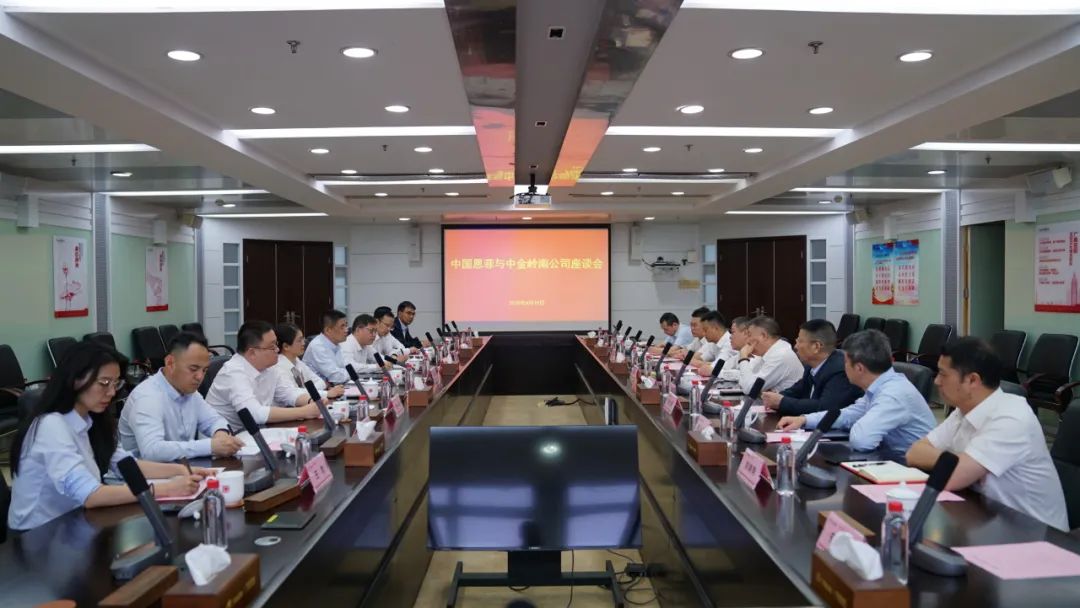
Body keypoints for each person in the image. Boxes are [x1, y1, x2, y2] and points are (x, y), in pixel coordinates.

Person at [8, 341, 209, 531]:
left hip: (75, 522)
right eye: (104, 383)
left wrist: (183, 470)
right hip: (38, 535)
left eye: (116, 383)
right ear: (75, 380)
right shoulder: (51, 425)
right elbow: (90, 495)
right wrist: (167, 489)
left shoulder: (92, 420)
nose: (112, 392)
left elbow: (126, 465)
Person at [907, 337, 1067, 531]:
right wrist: (958, 461)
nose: (937, 381)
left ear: (972, 380)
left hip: (1036, 535)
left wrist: (958, 465)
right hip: (986, 518)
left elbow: (950, 479)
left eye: (943, 374)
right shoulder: (964, 409)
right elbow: (914, 452)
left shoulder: (1011, 418)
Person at [777, 330, 935, 454]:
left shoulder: (893, 394)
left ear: (859, 368)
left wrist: (857, 422)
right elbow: (850, 414)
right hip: (889, 459)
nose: (843, 366)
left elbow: (862, 440)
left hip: (910, 470)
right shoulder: (879, 386)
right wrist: (804, 420)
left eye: (845, 362)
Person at [119, 332, 245, 461]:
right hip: (145, 471)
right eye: (193, 369)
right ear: (170, 363)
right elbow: (152, 450)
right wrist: (210, 446)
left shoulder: (189, 391)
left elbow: (214, 420)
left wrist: (221, 435)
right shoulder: (147, 397)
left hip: (182, 467)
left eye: (204, 370)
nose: (200, 377)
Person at [206, 321, 322, 429]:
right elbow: (254, 413)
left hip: (257, 431)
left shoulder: (270, 366)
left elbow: (288, 392)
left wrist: (311, 401)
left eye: (276, 344)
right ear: (252, 352)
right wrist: (304, 412)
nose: (277, 349)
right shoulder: (233, 373)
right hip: (227, 436)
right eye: (272, 347)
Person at [761, 319, 863, 416]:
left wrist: (782, 402)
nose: (795, 346)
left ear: (816, 346)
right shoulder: (810, 366)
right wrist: (774, 397)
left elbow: (825, 408)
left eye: (800, 341)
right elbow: (797, 391)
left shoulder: (840, 370)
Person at [729, 316, 803, 395]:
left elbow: (750, 389)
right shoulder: (769, 353)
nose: (747, 341)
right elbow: (745, 382)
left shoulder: (780, 355)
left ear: (763, 336)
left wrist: (743, 358)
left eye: (749, 335)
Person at [274, 323, 345, 401]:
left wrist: (305, 391)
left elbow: (321, 382)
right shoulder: (278, 367)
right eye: (299, 340)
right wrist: (326, 393)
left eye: (303, 339)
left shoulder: (297, 361)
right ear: (286, 346)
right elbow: (293, 394)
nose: (303, 343)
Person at [302, 310, 350, 384]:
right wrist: (351, 374)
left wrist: (349, 373)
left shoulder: (336, 344)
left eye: (346, 325)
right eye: (342, 326)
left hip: (332, 386)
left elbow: (345, 367)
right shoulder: (318, 346)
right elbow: (336, 377)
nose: (346, 330)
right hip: (318, 388)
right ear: (328, 330)